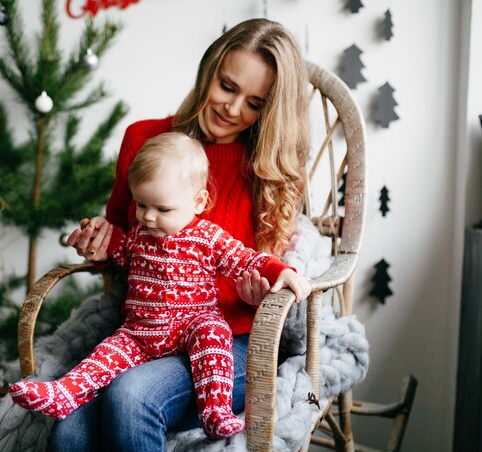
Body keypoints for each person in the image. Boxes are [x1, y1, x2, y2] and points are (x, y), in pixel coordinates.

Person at [48, 17, 311, 451]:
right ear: (209, 70)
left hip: (230, 344)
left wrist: (258, 292)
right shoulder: (144, 139)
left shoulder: (270, 173)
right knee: (68, 429)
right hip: (145, 329)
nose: (232, 109)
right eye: (227, 87)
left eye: (255, 104)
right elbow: (122, 237)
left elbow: (264, 264)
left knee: (131, 396)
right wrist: (98, 240)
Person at [9, 132, 310, 439]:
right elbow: (119, 249)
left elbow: (245, 259)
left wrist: (279, 271)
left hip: (193, 324)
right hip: (140, 333)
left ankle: (216, 410)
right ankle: (64, 393)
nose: (148, 217)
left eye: (162, 209)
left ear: (198, 202)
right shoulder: (140, 235)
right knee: (104, 354)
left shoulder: (206, 237)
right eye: (141, 205)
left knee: (214, 336)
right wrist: (98, 235)